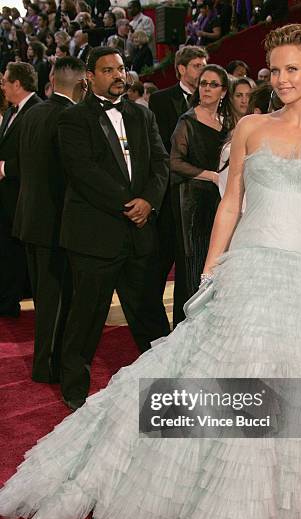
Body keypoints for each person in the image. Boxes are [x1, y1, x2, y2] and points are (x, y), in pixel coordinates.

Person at [0, 25, 301, 519]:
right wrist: (210, 272)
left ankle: (266, 504)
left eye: (293, 70)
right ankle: (207, 491)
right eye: (276, 69)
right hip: (248, 266)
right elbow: (231, 203)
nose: (282, 79)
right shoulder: (251, 129)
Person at [55, 47, 170, 410]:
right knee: (86, 317)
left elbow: (161, 163)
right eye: (108, 70)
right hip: (94, 235)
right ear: (90, 76)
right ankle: (74, 391)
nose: (118, 75)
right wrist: (129, 204)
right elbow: (84, 172)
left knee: (150, 315)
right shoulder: (73, 119)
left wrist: (149, 201)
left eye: (121, 68)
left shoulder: (142, 115)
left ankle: (167, 385)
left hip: (138, 234)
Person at [12, 57, 87, 385]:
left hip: (29, 219)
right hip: (55, 224)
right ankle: (49, 366)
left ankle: (44, 363)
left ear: (53, 79)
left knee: (45, 300)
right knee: (56, 302)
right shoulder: (68, 117)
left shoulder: (32, 113)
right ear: (81, 85)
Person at [149, 46, 208, 326]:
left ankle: (187, 325)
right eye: (197, 65)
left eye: (204, 65)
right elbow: (160, 149)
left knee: (192, 269)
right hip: (169, 196)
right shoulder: (160, 101)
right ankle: (157, 328)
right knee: (158, 268)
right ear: (182, 68)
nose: (201, 70)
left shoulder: (213, 101)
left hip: (201, 199)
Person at [170, 64, 231, 297]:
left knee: (217, 259)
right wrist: (212, 176)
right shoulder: (187, 121)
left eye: (213, 85)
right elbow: (175, 162)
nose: (206, 89)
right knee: (195, 262)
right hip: (194, 202)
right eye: (203, 83)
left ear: (223, 91)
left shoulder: (226, 122)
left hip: (219, 200)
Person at [0, 62, 41, 318]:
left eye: (5, 81)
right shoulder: (12, 113)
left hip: (26, 197)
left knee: (24, 256)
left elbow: (38, 156)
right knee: (9, 253)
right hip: (9, 199)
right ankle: (7, 302)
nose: (2, 86)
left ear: (17, 83)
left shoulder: (37, 110)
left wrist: (6, 169)